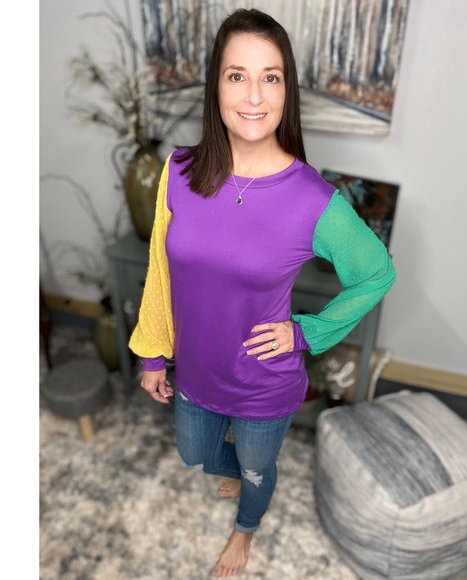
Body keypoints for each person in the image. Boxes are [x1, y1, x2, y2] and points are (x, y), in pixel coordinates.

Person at [129, 8, 396, 577]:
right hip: (196, 370)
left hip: (263, 381)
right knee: (196, 454)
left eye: (270, 77)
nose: (254, 95)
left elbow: (377, 274)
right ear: (216, 86)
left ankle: (245, 529)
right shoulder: (180, 171)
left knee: (256, 471)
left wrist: (306, 332)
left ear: (286, 90)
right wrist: (153, 353)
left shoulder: (313, 200)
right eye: (237, 75)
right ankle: (241, 482)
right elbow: (160, 270)